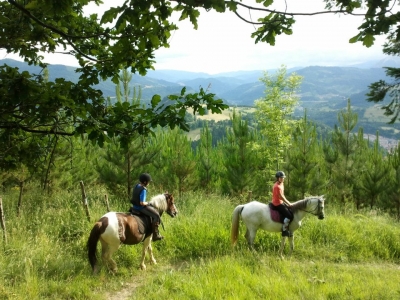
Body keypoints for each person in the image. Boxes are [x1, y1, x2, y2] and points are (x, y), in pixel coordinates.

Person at [130, 173, 163, 241]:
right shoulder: (143, 189)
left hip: (134, 207)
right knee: (156, 215)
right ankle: (155, 235)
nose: (149, 183)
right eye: (148, 182)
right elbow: (142, 203)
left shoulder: (136, 186)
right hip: (140, 208)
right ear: (145, 182)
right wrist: (148, 203)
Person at [272, 171, 294, 237]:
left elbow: (283, 196)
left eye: (283, 177)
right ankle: (284, 230)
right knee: (289, 216)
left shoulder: (281, 184)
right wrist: (289, 203)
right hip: (277, 203)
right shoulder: (277, 186)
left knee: (290, 211)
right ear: (278, 178)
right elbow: (281, 197)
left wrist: (286, 203)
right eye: (281, 178)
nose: (282, 179)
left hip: (281, 202)